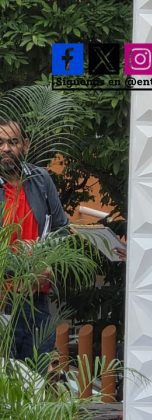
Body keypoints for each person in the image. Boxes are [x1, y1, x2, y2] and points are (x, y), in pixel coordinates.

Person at [0, 118, 68, 360]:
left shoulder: (41, 180)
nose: (6, 148)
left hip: (37, 300)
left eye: (13, 142)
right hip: (3, 299)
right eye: (0, 142)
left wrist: (47, 263)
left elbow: (61, 229)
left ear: (25, 145)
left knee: (35, 376)